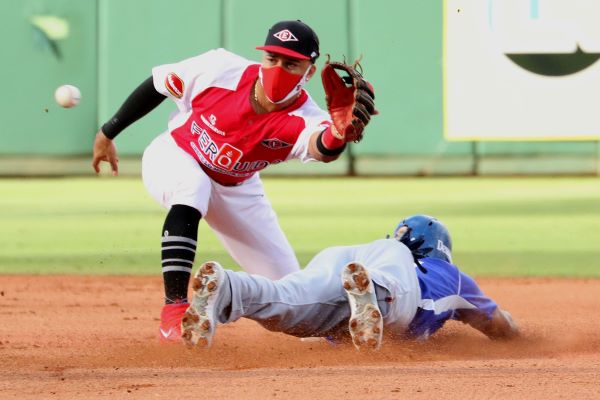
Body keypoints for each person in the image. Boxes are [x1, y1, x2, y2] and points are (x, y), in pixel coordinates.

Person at [90, 20, 376, 342]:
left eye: (291, 64)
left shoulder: (307, 117)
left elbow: (320, 147)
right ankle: (174, 312)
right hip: (174, 154)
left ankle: (341, 330)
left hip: (238, 188)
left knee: (291, 292)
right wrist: (108, 131)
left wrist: (338, 134)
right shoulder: (219, 68)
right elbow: (158, 84)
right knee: (192, 187)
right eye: (273, 59)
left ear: (309, 72)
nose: (278, 69)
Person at [181, 215, 519, 349]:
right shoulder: (447, 274)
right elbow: (498, 324)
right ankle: (372, 290)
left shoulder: (384, 251)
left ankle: (228, 288)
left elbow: (315, 343)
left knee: (288, 302)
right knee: (396, 296)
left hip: (343, 259)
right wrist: (522, 341)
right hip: (383, 267)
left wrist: (315, 332)